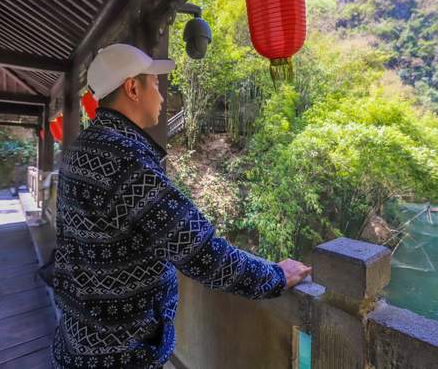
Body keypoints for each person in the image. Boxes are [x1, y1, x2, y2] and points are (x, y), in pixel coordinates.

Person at [50, 44, 312, 368]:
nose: (161, 96)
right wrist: (275, 276)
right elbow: (202, 252)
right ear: (133, 87)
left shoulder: (80, 150)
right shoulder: (127, 160)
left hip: (77, 337)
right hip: (120, 354)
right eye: (156, 85)